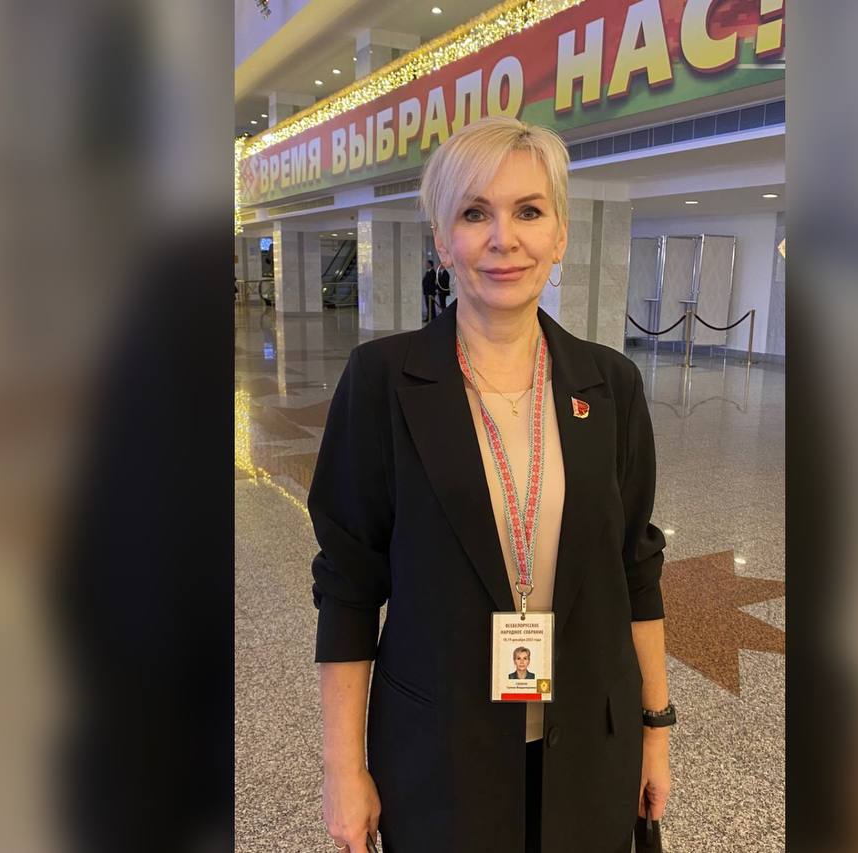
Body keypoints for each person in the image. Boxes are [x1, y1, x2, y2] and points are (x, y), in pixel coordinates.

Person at [310, 115, 672, 853]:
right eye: (475, 213)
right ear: (443, 241)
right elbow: (349, 586)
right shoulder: (382, 381)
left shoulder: (611, 385)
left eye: (529, 211)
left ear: (560, 234)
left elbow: (637, 569)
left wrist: (656, 730)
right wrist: (343, 769)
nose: (504, 238)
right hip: (439, 755)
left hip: (592, 750)